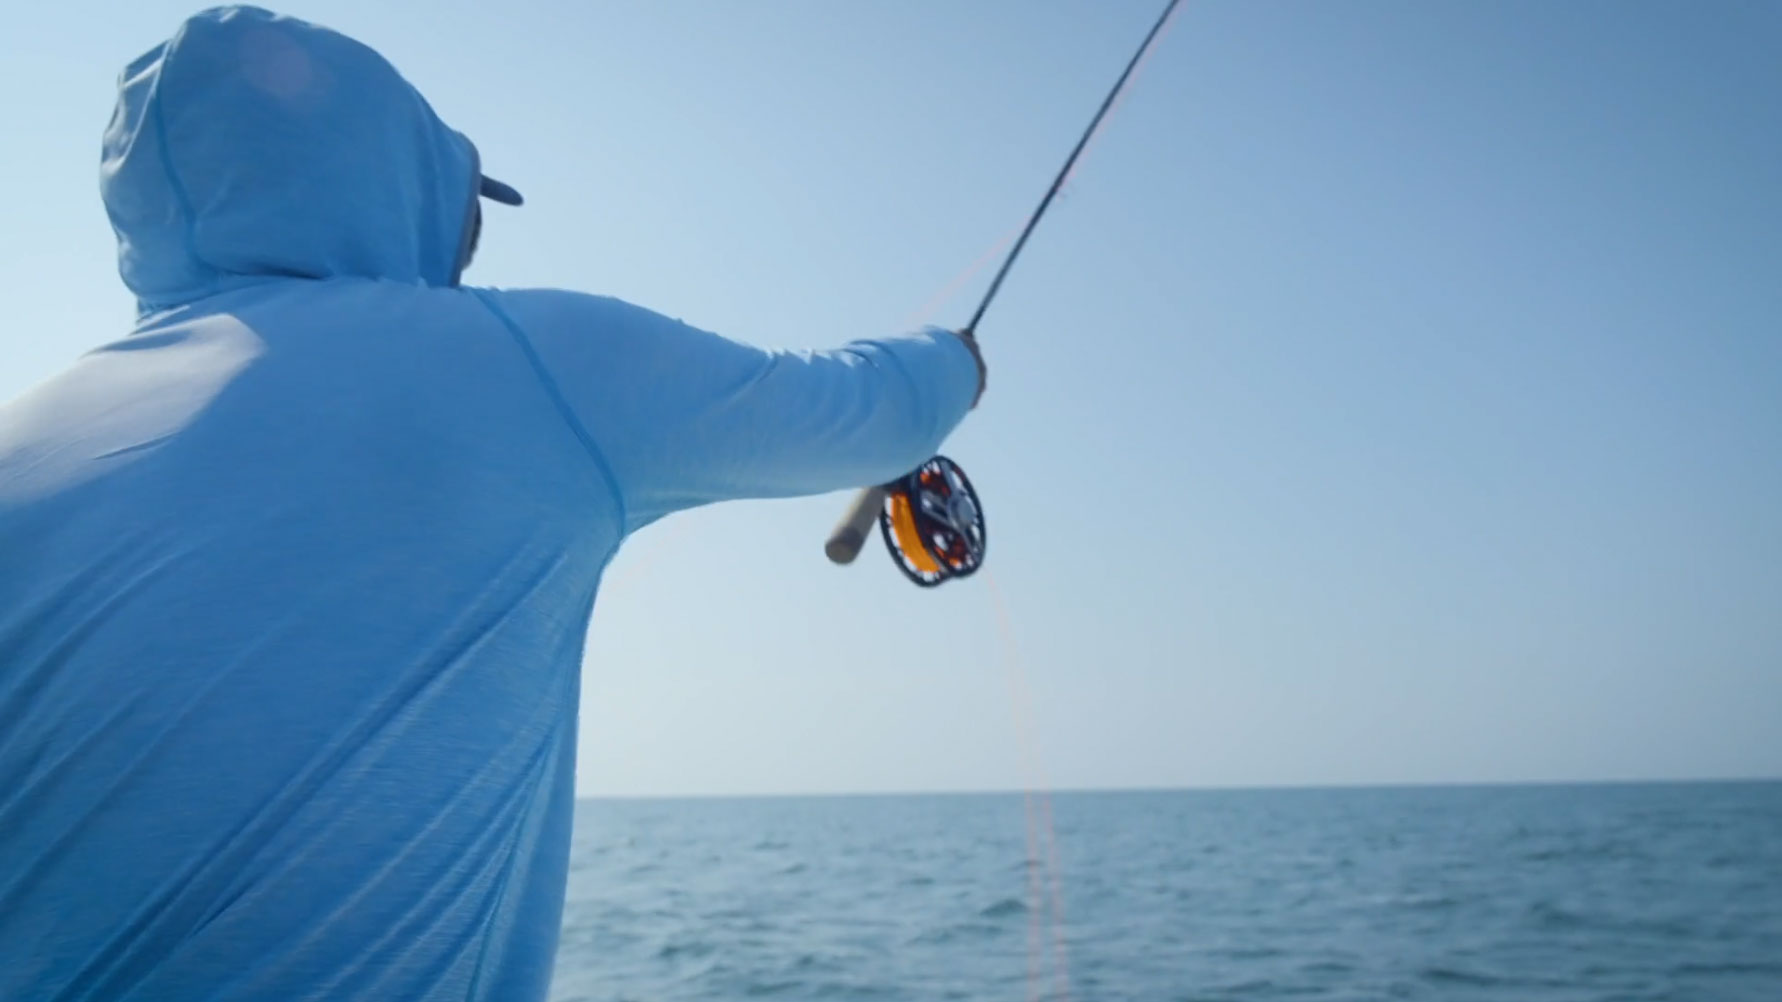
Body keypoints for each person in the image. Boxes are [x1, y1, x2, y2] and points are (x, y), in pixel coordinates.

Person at [0, 6, 984, 1000]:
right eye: (463, 205)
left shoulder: (18, 444)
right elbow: (870, 414)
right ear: (400, 192)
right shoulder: (526, 363)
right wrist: (956, 362)